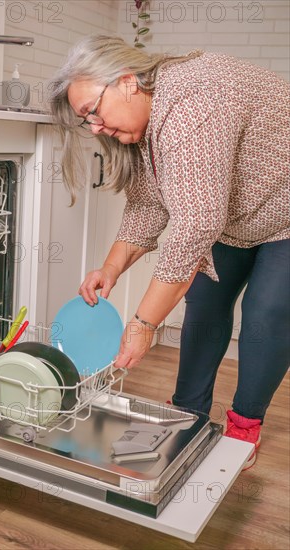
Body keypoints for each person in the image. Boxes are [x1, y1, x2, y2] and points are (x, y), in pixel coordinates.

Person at [49, 35, 290, 469]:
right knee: (204, 300)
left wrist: (143, 324)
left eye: (93, 112)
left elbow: (196, 223)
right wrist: (111, 267)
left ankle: (244, 423)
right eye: (88, 121)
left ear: (126, 82)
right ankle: (187, 410)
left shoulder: (193, 102)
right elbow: (147, 203)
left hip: (285, 212)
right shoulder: (146, 121)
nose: (96, 128)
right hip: (234, 216)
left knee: (267, 314)